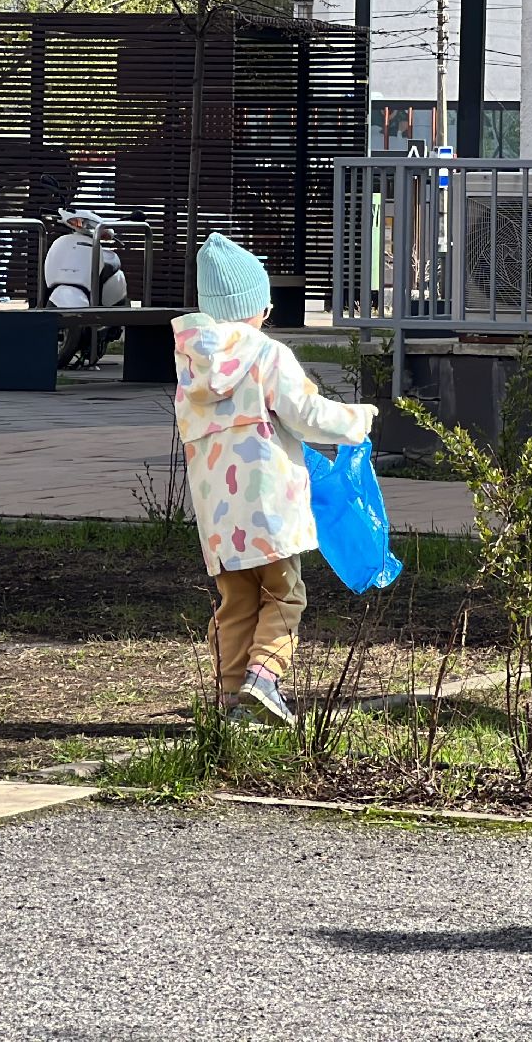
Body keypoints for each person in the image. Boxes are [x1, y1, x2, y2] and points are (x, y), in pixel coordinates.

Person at [173, 233, 378, 726]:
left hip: (218, 517)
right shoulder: (268, 355)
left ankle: (227, 698)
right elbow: (307, 414)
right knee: (285, 595)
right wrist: (358, 419)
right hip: (269, 508)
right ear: (255, 308)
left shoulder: (189, 366)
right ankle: (264, 677)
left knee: (236, 600)